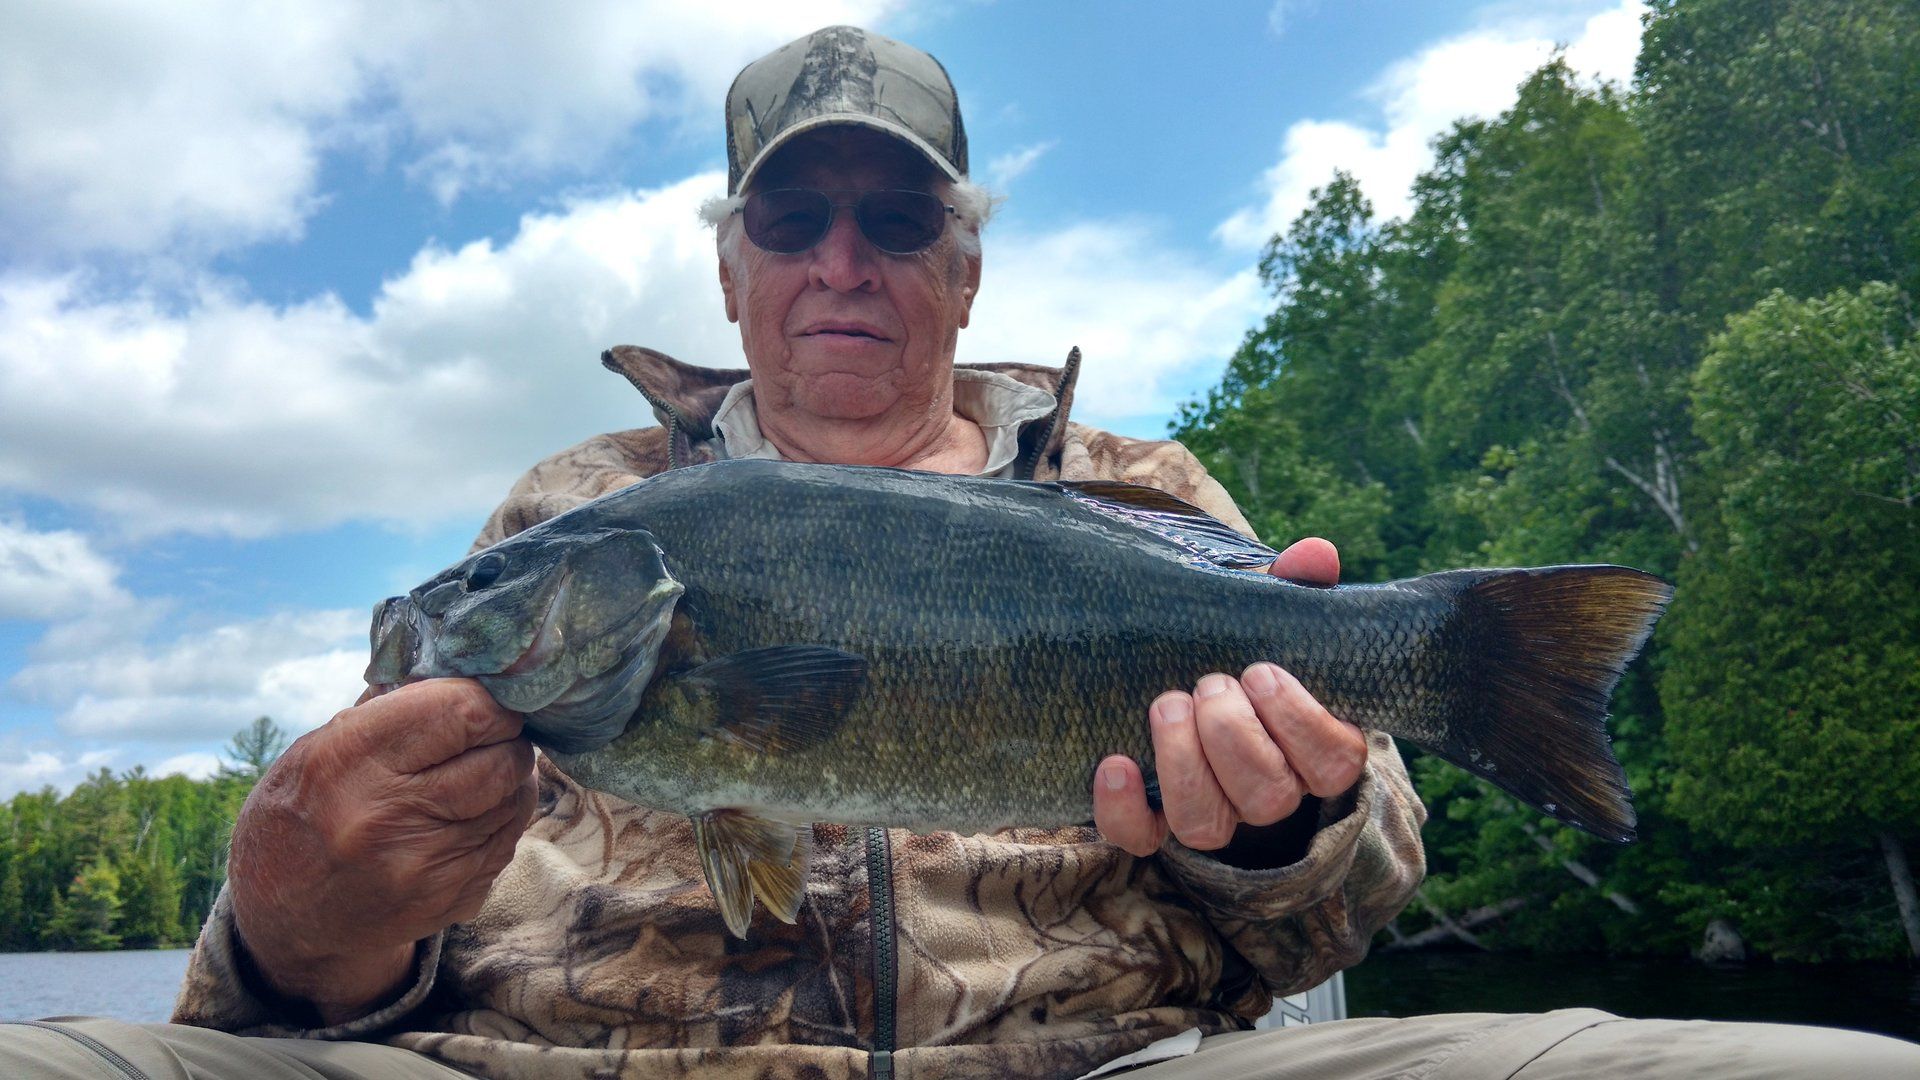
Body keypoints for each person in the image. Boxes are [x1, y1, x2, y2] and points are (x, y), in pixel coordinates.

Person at [5, 24, 1915, 1080]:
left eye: (894, 217)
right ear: (733, 265)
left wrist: (1281, 832)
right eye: (799, 215)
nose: (846, 258)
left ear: (967, 261)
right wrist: (288, 925)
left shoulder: (1144, 492)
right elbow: (323, 982)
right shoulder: (568, 522)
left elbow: (1344, 919)